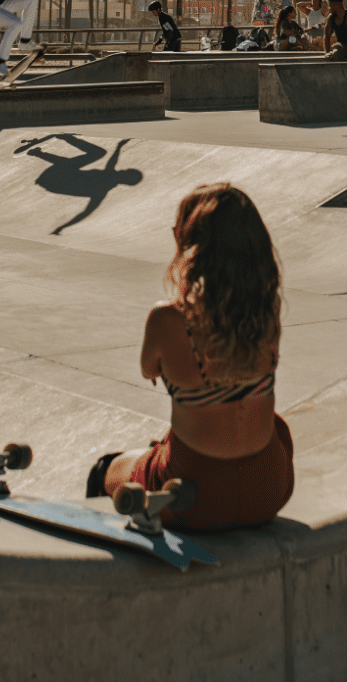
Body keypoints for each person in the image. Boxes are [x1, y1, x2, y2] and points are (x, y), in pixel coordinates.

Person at [85, 184, 293, 530]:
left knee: (105, 470)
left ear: (193, 245)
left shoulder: (168, 319)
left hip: (193, 496)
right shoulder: (267, 310)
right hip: (268, 488)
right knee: (272, 424)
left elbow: (147, 367)